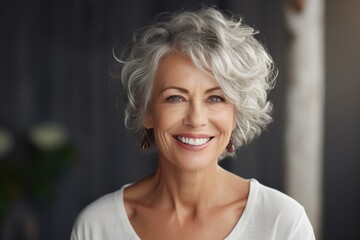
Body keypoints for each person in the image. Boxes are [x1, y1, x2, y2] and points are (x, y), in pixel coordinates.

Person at [70, 6, 315, 240]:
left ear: (236, 113)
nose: (196, 119)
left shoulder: (282, 222)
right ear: (145, 110)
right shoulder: (97, 226)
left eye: (215, 98)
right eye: (175, 98)